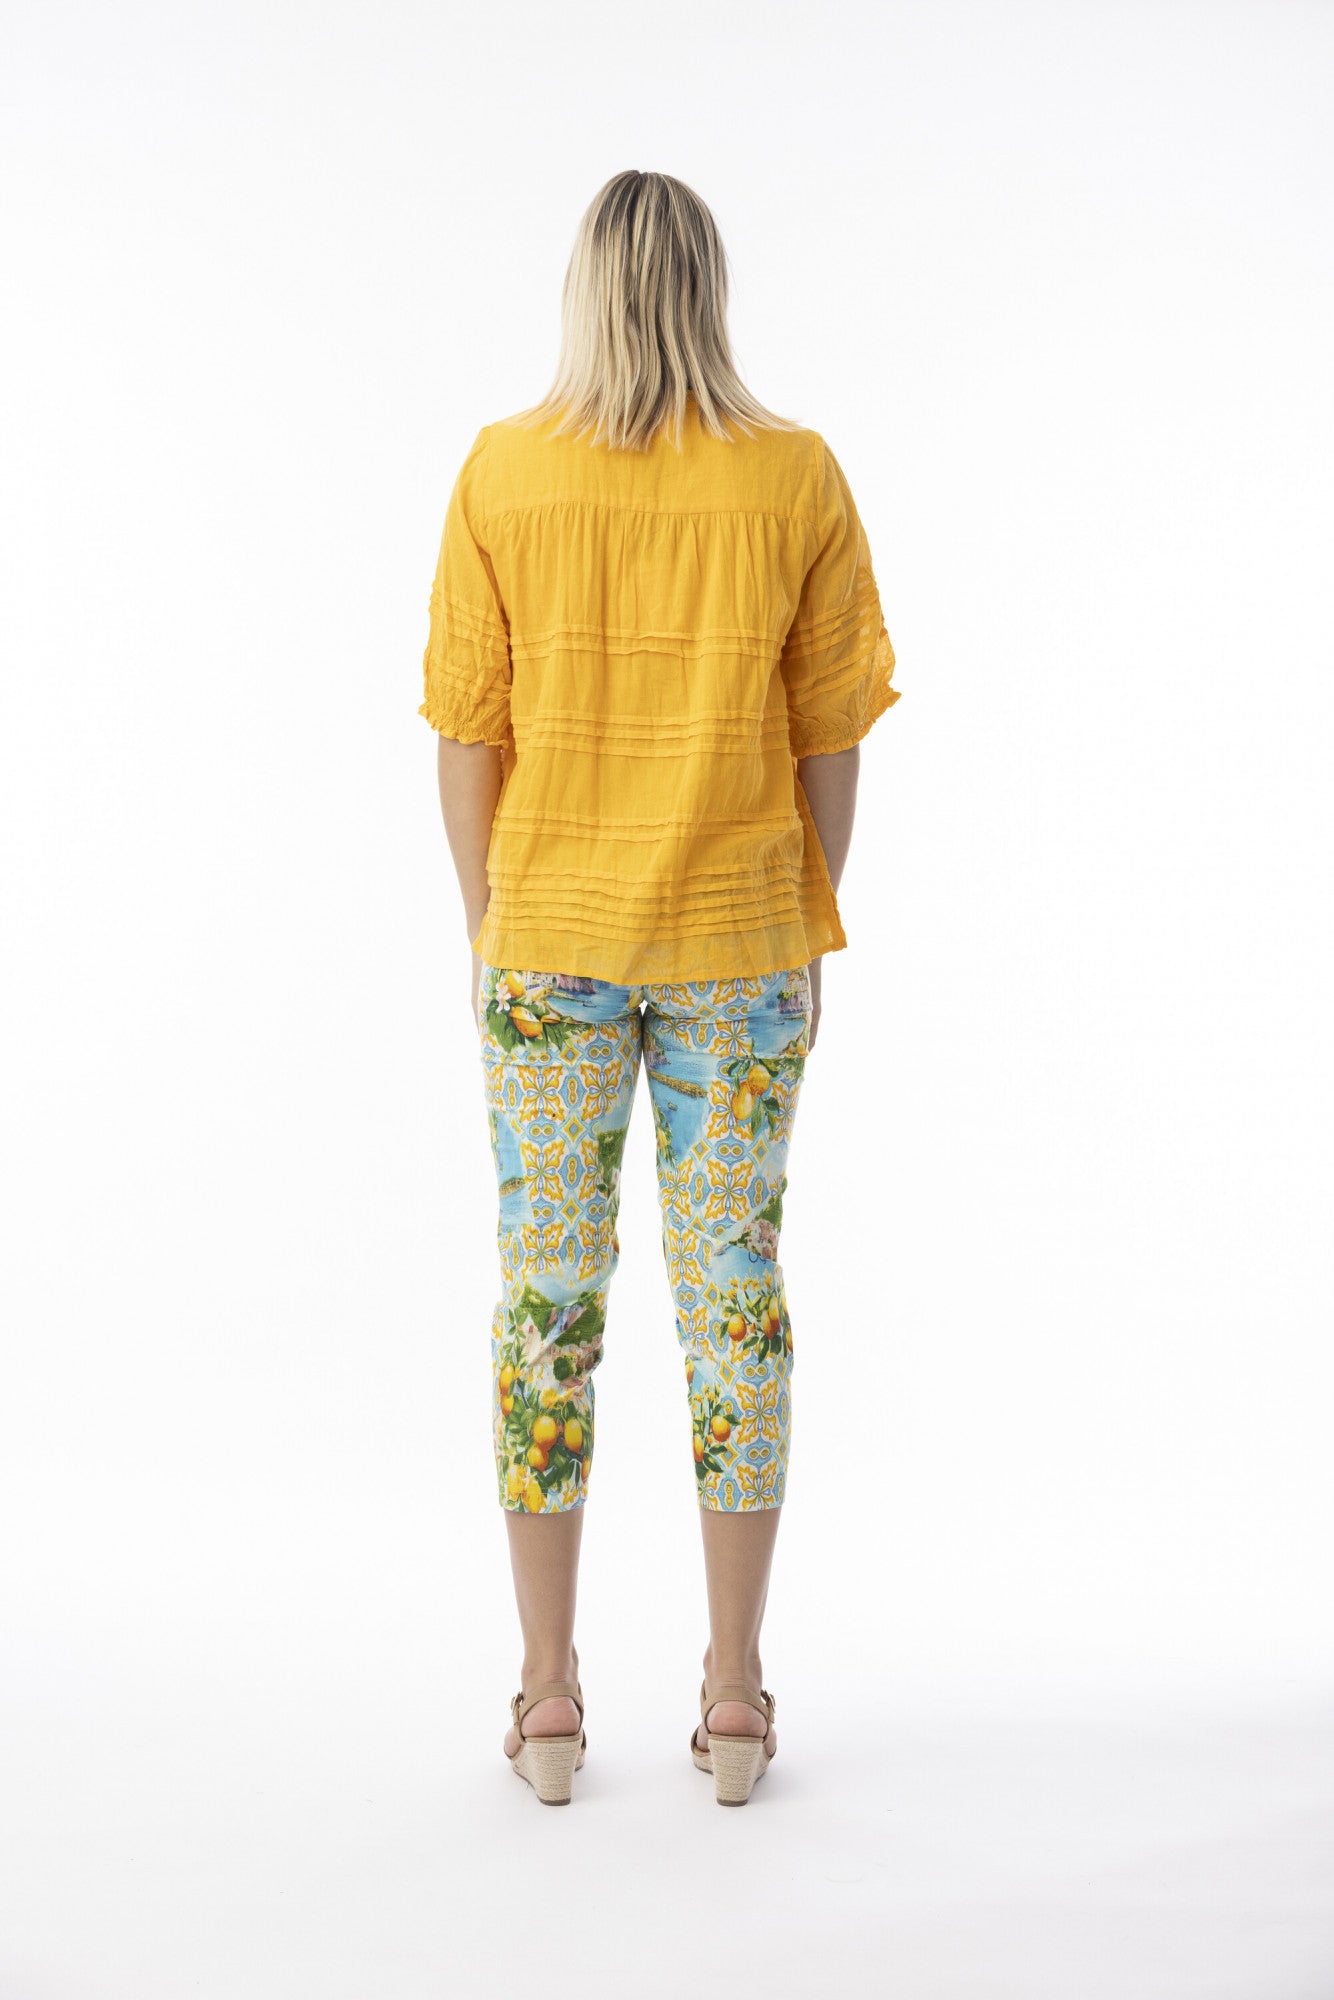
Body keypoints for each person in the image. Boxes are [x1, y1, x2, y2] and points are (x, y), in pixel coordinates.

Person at [419, 169, 899, 1806]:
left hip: (546, 945)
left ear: (583, 288)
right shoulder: (793, 475)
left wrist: (489, 933)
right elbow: (830, 737)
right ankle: (737, 1692)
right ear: (707, 287)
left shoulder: (503, 471)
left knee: (545, 1307)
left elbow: (465, 733)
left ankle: (548, 1695)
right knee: (733, 1301)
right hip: (740, 945)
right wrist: (805, 921)